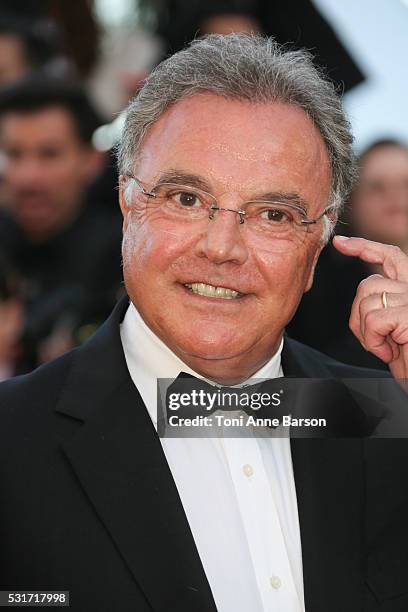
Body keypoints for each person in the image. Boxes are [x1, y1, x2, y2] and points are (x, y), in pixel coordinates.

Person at [1, 34, 408, 611]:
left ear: (318, 245)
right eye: (186, 198)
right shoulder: (11, 442)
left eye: (273, 214)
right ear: (126, 202)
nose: (222, 248)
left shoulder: (387, 416)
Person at [0, 77, 122, 369]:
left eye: (49, 154)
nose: (27, 177)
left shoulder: (123, 258)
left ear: (91, 161)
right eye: (15, 154)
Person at [288, 139, 408, 369]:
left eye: (406, 184)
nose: (395, 196)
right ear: (351, 204)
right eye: (376, 187)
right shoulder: (314, 285)